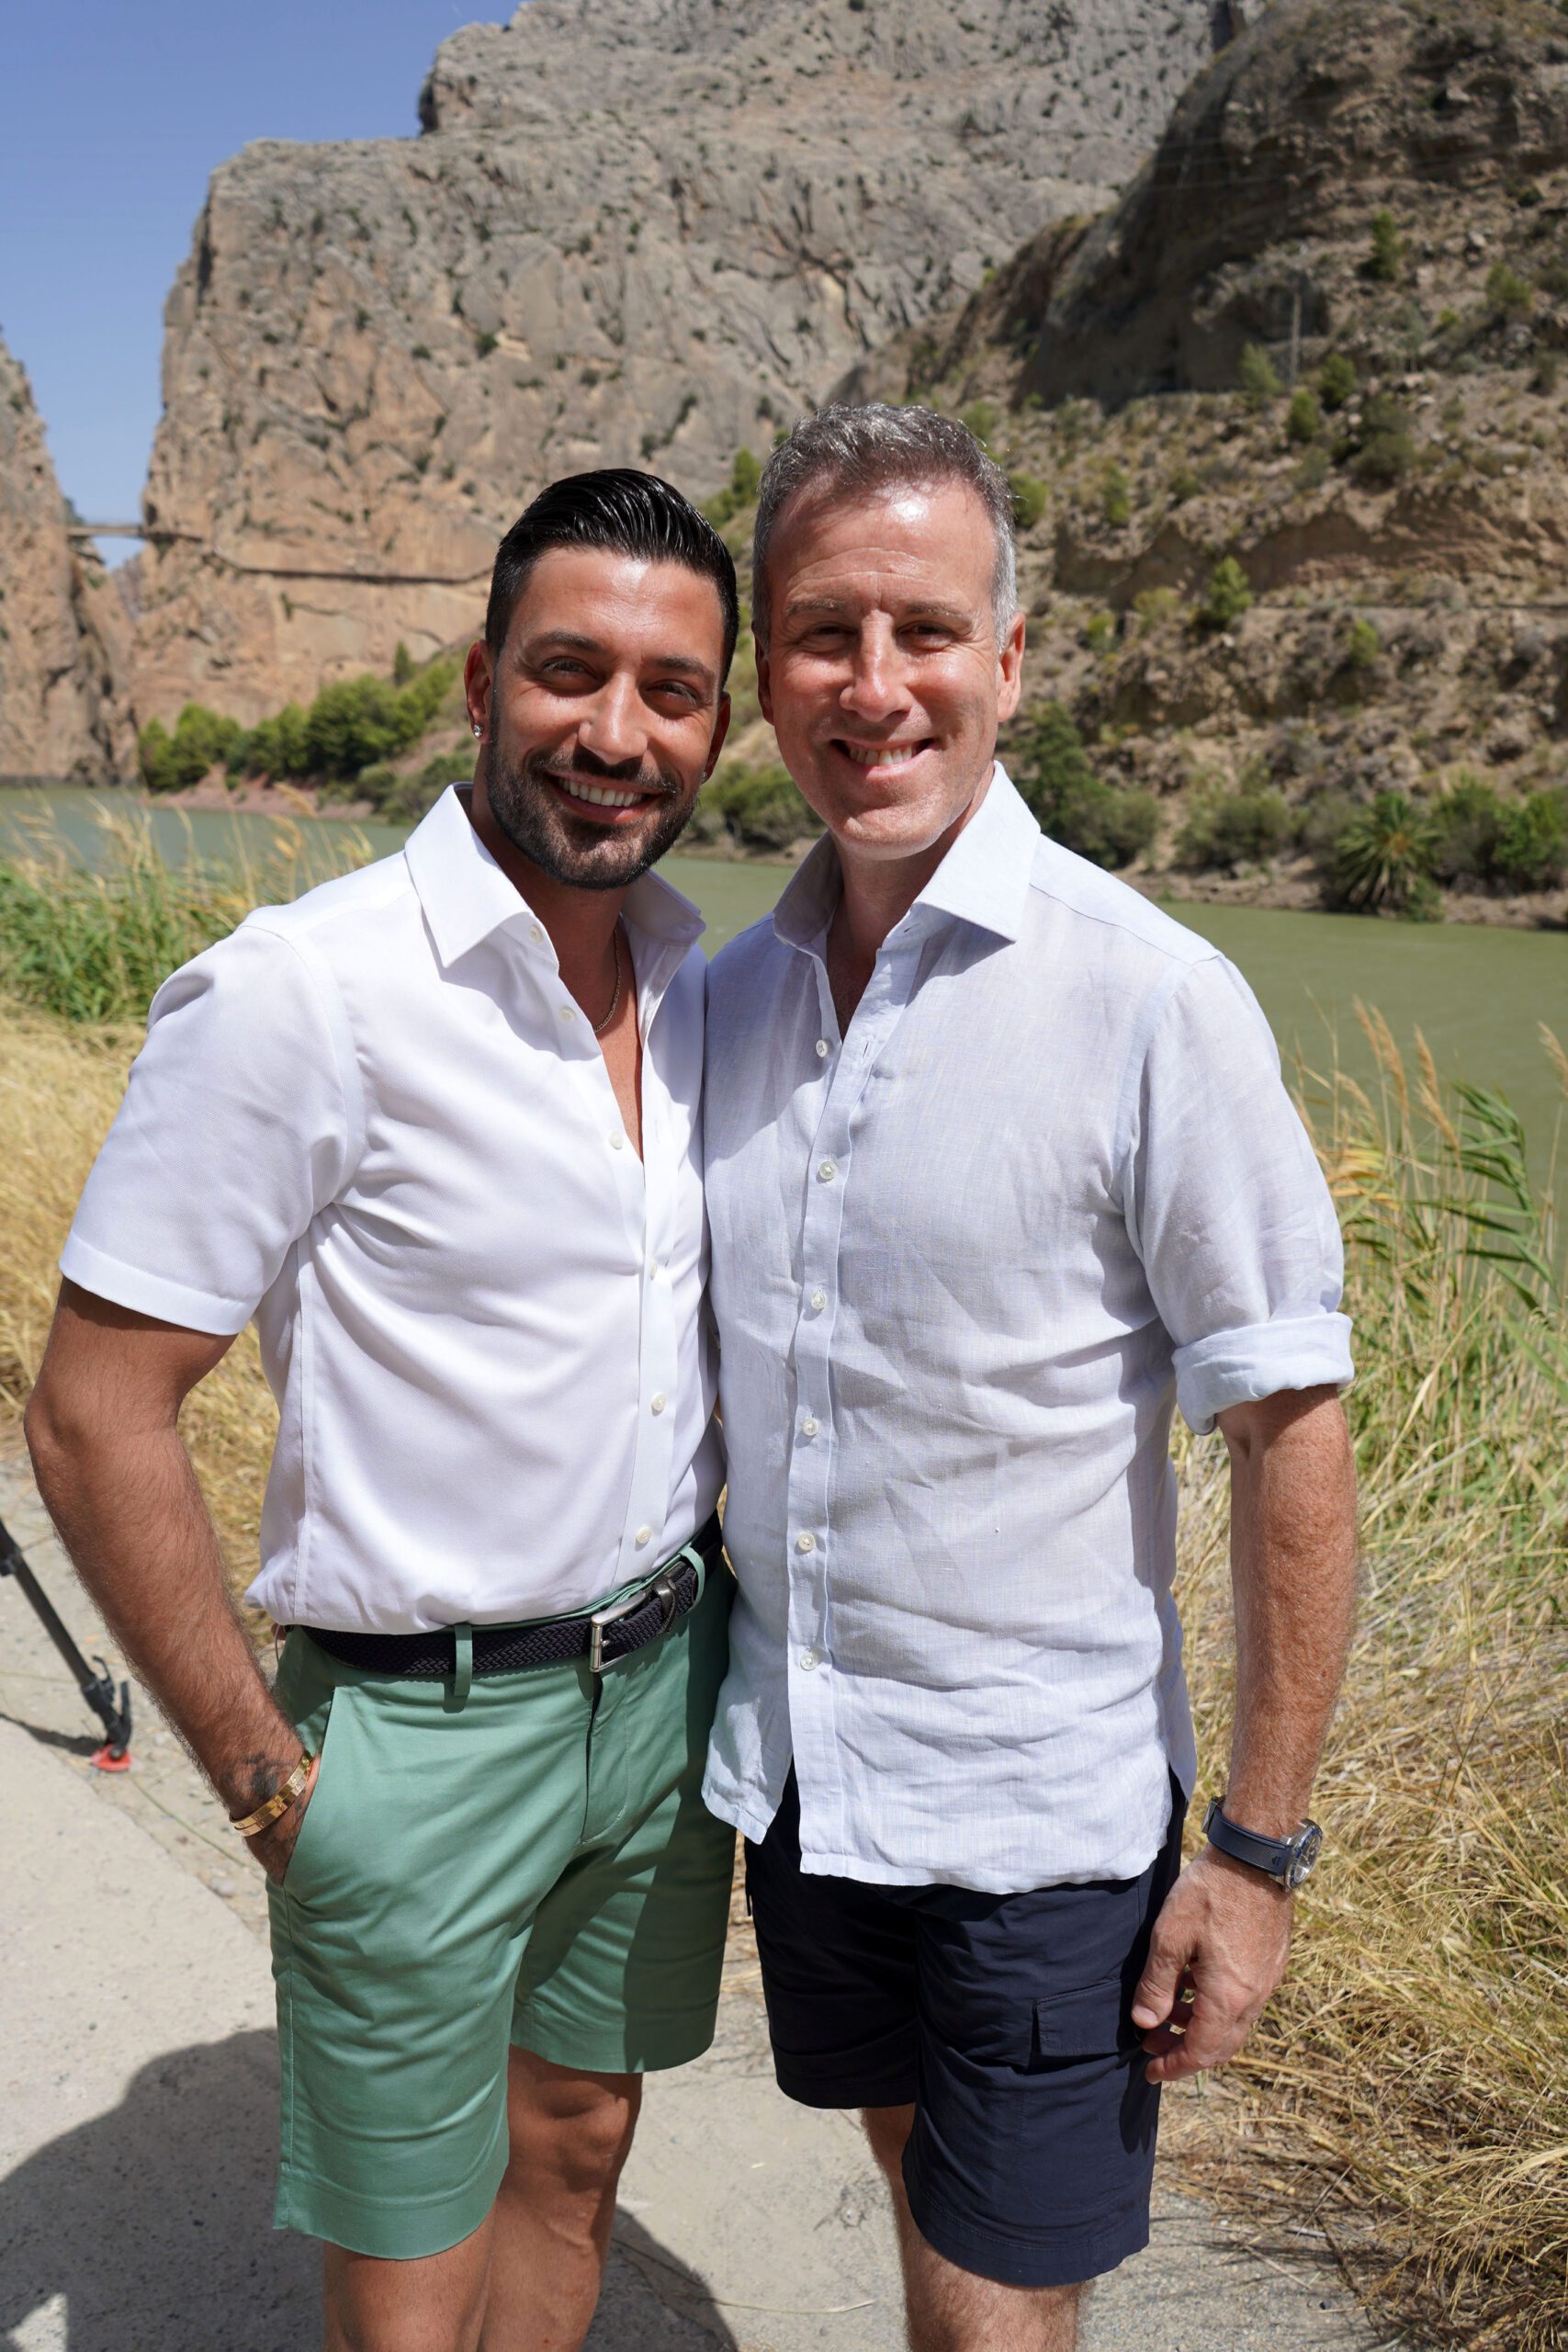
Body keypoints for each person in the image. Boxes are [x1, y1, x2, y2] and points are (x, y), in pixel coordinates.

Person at [25, 469, 740, 2352]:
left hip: (660, 1700)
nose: (615, 730)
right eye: (568, 670)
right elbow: (96, 1411)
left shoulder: (702, 982)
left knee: (576, 2143)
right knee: (406, 2275)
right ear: (478, 675)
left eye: (670, 688)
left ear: (718, 721)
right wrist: (272, 1787)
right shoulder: (302, 993)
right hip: (412, 1732)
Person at [700, 404, 1359, 2352]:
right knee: (919, 2202)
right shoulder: (729, 997)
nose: (872, 684)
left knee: (996, 2310)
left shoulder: (1148, 998)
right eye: (823, 633)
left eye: (922, 629)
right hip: (805, 1789)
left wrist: (1250, 1854)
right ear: (765, 675)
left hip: (1037, 1827)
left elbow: (1285, 1436)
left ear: (1006, 658)